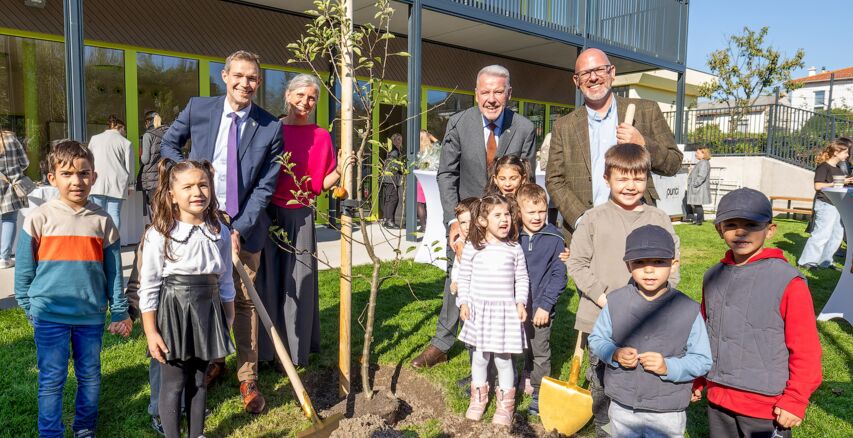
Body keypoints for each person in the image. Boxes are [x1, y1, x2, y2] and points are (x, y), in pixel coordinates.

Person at [159, 50, 283, 414]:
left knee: (244, 301)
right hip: (198, 224)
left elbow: (265, 186)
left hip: (245, 227)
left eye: (253, 78)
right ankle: (210, 363)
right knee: (203, 298)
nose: (246, 84)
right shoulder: (199, 108)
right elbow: (169, 142)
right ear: (225, 76)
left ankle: (247, 377)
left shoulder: (270, 126)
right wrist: (184, 176)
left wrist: (238, 230)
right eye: (239, 76)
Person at [412, 65, 536, 369]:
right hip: (466, 219)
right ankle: (443, 341)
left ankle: (504, 343)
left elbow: (527, 182)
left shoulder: (524, 128)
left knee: (504, 280)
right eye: (485, 92)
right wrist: (454, 221)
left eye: (498, 92)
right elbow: (446, 174)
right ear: (476, 93)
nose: (491, 99)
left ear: (509, 94)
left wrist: (518, 223)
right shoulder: (458, 123)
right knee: (456, 276)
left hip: (505, 222)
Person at [14, 140, 131, 438]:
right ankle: (50, 432)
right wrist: (30, 306)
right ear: (52, 178)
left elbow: (114, 272)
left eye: (83, 173)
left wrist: (118, 309)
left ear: (94, 177)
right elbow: (25, 271)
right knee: (51, 378)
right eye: (67, 174)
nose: (76, 181)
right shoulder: (38, 218)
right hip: (49, 316)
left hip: (90, 316)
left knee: (90, 376)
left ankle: (84, 427)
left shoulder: (103, 221)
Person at [566, 143, 680, 437]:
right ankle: (606, 429)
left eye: (638, 178)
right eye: (622, 178)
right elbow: (577, 263)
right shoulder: (592, 219)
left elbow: (673, 266)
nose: (631, 186)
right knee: (602, 381)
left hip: (647, 320)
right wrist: (604, 297)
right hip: (600, 317)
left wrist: (655, 303)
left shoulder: (659, 219)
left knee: (640, 378)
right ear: (607, 179)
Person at [693, 188, 823, 438]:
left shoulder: (788, 281)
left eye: (751, 224)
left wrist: (795, 399)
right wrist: (697, 378)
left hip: (767, 406)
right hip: (719, 398)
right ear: (719, 229)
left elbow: (806, 348)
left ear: (770, 230)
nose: (741, 232)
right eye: (731, 224)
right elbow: (704, 334)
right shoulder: (712, 276)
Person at [139, 159, 236, 438]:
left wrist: (227, 315)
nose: (197, 192)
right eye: (188, 186)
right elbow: (149, 285)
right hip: (174, 312)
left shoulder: (220, 232)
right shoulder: (161, 233)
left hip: (208, 310)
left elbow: (226, 278)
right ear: (172, 195)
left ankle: (197, 435)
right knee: (174, 382)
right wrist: (150, 331)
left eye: (203, 184)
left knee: (199, 380)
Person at [546, 48, 683, 245]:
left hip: (637, 227)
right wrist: (583, 219)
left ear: (612, 73)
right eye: (585, 73)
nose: (593, 77)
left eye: (599, 70)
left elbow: (674, 163)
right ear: (576, 81)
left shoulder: (646, 110)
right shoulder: (563, 126)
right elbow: (554, 180)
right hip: (587, 234)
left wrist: (643, 143)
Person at [588, 225, 712, 437]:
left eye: (658, 262)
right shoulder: (616, 302)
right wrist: (614, 353)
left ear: (674, 264)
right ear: (628, 266)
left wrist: (668, 367)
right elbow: (597, 339)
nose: (648, 269)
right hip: (623, 405)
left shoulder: (688, 309)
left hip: (667, 410)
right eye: (639, 262)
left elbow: (702, 359)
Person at [256, 73, 345, 368]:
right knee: (267, 282)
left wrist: (342, 169)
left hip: (301, 216)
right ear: (287, 96)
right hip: (268, 214)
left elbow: (321, 183)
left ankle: (296, 351)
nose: (305, 102)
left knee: (300, 281)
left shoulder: (321, 137)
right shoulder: (270, 130)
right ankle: (267, 351)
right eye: (300, 95)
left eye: (311, 98)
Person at [456, 194, 529, 426]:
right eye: (498, 215)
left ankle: (505, 404)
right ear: (483, 221)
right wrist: (464, 302)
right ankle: (478, 399)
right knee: (479, 357)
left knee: (504, 360)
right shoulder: (473, 248)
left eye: (507, 214)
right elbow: (464, 277)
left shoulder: (514, 249)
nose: (505, 219)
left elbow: (522, 278)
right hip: (479, 311)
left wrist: (521, 302)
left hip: (504, 313)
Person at [515, 183, 567, 416]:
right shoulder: (512, 236)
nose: (537, 217)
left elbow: (559, 275)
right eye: (531, 212)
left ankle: (540, 391)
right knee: (523, 345)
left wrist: (546, 305)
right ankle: (526, 372)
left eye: (541, 212)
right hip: (516, 306)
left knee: (540, 350)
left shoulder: (554, 238)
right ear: (519, 213)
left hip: (539, 309)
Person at [798, 139, 853, 270]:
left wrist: (848, 182)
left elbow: (840, 185)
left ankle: (825, 261)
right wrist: (838, 182)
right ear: (836, 152)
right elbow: (818, 186)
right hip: (825, 204)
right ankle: (807, 261)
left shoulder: (839, 169)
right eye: (845, 153)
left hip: (838, 204)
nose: (847, 156)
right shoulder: (824, 167)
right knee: (822, 233)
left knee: (837, 235)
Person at [88, 114, 134, 230]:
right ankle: (113, 244)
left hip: (97, 181)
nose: (125, 132)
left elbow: (88, 160)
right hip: (117, 182)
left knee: (98, 214)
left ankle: (98, 242)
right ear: (120, 127)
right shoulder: (126, 143)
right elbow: (130, 167)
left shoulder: (94, 139)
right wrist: (131, 185)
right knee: (114, 214)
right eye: (125, 130)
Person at [0, 131, 30, 269]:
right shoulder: (11, 138)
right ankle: (4, 258)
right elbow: (25, 162)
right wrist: (14, 170)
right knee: (9, 219)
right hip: (11, 185)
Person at [139, 111, 170, 215]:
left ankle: (158, 229)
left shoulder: (148, 135)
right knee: (166, 206)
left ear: (148, 122)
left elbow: (145, 159)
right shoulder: (168, 132)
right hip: (167, 174)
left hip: (153, 178)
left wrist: (140, 154)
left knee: (156, 209)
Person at [448, 197, 478, 296]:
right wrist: (455, 281)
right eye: (463, 222)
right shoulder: (461, 243)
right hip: (465, 293)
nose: (467, 226)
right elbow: (457, 265)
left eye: (471, 221)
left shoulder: (484, 243)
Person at [416, 130, 440, 232]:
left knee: (421, 203)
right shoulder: (434, 148)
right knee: (432, 202)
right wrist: (432, 137)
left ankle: (423, 225)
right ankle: (433, 223)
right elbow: (441, 144)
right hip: (432, 177)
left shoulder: (418, 150)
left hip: (422, 177)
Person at [380, 133, 404, 228]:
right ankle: (389, 221)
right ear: (393, 141)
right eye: (397, 139)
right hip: (390, 179)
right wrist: (402, 167)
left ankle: (386, 220)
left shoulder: (393, 150)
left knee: (388, 199)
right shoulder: (394, 152)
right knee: (393, 199)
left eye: (400, 139)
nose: (399, 141)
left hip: (388, 178)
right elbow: (393, 165)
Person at [684, 146, 711, 226]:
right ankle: (700, 219)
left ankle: (699, 221)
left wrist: (694, 184)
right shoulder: (702, 162)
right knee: (697, 204)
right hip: (698, 188)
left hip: (698, 188)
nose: (696, 154)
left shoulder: (703, 163)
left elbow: (701, 176)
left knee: (697, 204)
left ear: (703, 154)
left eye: (698, 152)